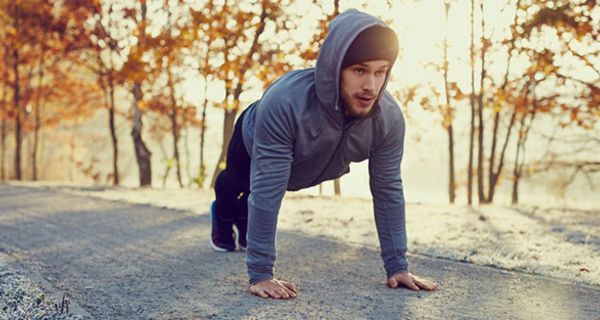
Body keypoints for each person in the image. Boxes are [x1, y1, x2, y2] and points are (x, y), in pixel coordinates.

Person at [210, 8, 438, 299]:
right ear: (335, 67)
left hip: (307, 165)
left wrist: (397, 267)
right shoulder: (285, 104)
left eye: (380, 72)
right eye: (359, 70)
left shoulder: (388, 119)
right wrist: (261, 274)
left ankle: (244, 220)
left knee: (252, 202)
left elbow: (388, 190)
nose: (371, 85)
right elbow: (268, 191)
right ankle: (225, 212)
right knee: (237, 186)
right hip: (254, 137)